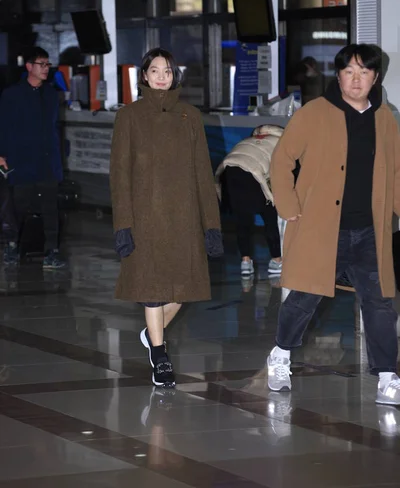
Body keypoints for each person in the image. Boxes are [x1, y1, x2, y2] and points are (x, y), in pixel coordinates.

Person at [267, 43, 400, 406]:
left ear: (375, 78)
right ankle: (280, 355)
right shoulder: (315, 113)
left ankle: (387, 375)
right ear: (338, 75)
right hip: (323, 227)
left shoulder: (384, 117)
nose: (357, 79)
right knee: (304, 298)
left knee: (380, 303)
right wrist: (288, 205)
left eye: (365, 72)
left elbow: (397, 171)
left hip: (370, 230)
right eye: (349, 71)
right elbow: (282, 159)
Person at [109, 47, 223, 389]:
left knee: (185, 285)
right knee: (152, 291)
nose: (161, 76)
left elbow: (204, 173)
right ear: (144, 75)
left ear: (175, 76)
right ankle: (159, 354)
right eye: (155, 70)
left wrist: (211, 224)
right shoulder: (129, 116)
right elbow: (119, 174)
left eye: (168, 71)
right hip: (144, 220)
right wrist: (123, 224)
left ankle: (151, 332)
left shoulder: (190, 116)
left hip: (184, 218)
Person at [0, 47, 65, 268]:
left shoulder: (51, 94)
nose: (46, 68)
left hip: (47, 161)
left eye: (48, 64)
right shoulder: (12, 95)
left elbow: (54, 127)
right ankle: (10, 246)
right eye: (42, 64)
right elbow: (4, 126)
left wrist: (58, 157)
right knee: (17, 206)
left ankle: (52, 251)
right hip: (21, 160)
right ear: (29, 67)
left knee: (50, 207)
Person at [215, 125, 284, 277]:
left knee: (242, 221)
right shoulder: (282, 143)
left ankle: (245, 262)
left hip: (229, 170)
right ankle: (276, 260)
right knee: (270, 218)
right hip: (253, 173)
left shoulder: (251, 139)